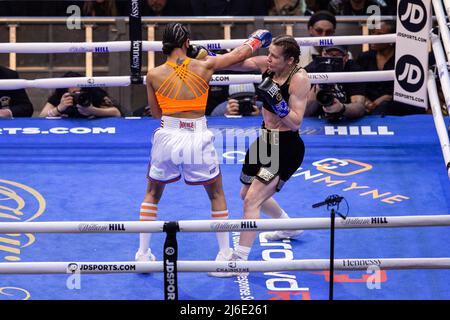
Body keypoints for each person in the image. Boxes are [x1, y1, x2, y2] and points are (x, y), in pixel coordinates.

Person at [136, 23, 272, 276]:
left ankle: (142, 254)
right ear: (187, 42)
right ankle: (223, 253)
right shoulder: (205, 65)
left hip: (168, 133)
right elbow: (239, 55)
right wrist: (256, 39)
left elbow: (156, 114)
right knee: (216, 193)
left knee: (153, 192)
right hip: (197, 134)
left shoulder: (153, 75)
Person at [221, 35, 310, 267]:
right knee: (246, 193)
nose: (268, 59)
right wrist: (205, 58)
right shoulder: (267, 66)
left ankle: (238, 261)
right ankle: (289, 227)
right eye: (268, 53)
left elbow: (296, 122)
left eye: (274, 56)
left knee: (252, 200)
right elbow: (236, 63)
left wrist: (277, 102)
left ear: (289, 60)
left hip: (287, 145)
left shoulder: (299, 79)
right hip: (265, 139)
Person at [305, 45, 366, 120]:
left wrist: (341, 108)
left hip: (346, 120)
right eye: (329, 54)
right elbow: (305, 112)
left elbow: (360, 107)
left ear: (346, 57)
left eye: (338, 55)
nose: (332, 59)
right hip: (317, 121)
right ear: (323, 54)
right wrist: (319, 85)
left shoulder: (353, 70)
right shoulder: (312, 69)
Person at [39, 72, 121, 118]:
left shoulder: (93, 91)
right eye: (74, 93)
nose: (78, 95)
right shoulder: (60, 95)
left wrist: (93, 110)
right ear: (66, 91)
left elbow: (116, 113)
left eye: (80, 91)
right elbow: (41, 116)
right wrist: (58, 109)